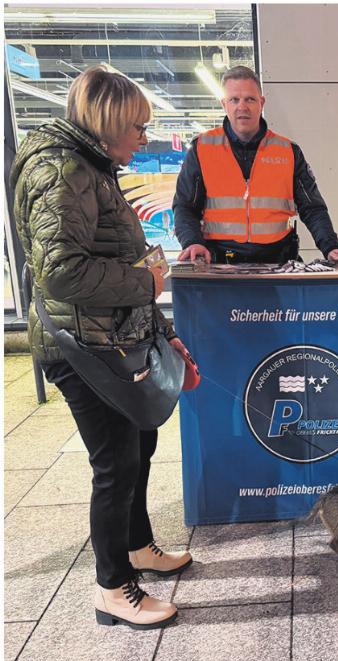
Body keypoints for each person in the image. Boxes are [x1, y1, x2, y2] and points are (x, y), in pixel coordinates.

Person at [10, 65, 192, 630]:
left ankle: (137, 546)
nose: (145, 137)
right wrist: (147, 284)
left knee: (140, 445)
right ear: (109, 123)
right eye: (138, 127)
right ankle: (113, 587)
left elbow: (112, 257)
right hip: (82, 348)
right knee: (114, 463)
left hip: (116, 339)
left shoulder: (94, 166)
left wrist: (163, 332)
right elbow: (61, 273)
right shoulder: (59, 170)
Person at [173, 65, 338, 266]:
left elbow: (312, 208)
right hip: (220, 265)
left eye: (250, 99)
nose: (242, 106)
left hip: (278, 263)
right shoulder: (202, 148)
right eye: (234, 99)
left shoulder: (288, 151)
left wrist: (330, 246)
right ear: (224, 104)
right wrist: (192, 242)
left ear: (261, 103)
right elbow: (184, 206)